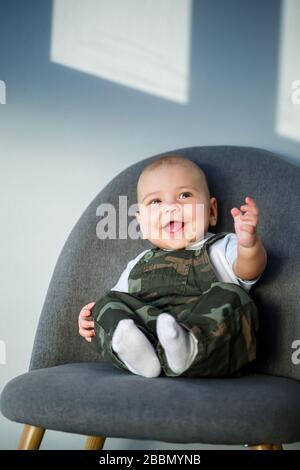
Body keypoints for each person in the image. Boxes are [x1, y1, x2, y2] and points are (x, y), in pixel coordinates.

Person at [78, 155, 267, 378]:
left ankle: (189, 347)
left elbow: (249, 270)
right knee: (106, 303)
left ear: (212, 211)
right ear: (142, 223)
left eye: (184, 195)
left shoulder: (221, 246)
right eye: (156, 201)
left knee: (233, 296)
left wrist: (249, 244)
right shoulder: (138, 263)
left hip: (207, 337)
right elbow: (119, 304)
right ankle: (138, 354)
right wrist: (92, 318)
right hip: (150, 333)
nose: (171, 208)